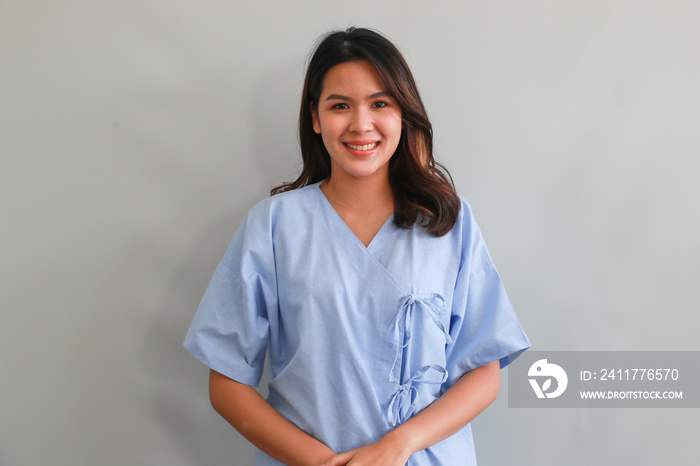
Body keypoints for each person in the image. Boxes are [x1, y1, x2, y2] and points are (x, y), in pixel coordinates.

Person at [184, 27, 530, 466]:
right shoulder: (274, 226)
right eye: (340, 106)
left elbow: (483, 370)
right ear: (315, 117)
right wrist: (323, 463)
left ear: (402, 114)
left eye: (380, 103)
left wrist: (396, 447)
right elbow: (227, 383)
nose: (361, 124)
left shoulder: (447, 223)